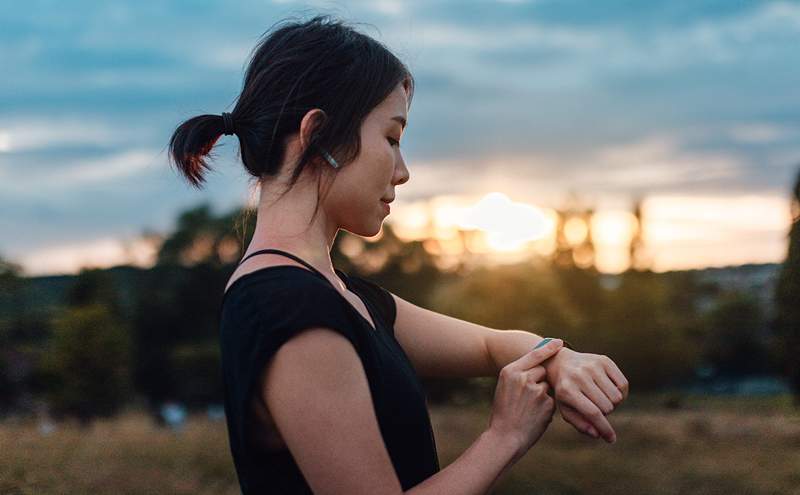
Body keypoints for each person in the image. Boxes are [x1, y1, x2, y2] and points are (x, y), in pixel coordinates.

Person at [168, 14, 629, 495]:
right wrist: (504, 437)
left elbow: (492, 345)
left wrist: (559, 360)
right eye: (392, 138)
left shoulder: (343, 296)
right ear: (319, 136)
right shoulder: (289, 309)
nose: (403, 171)